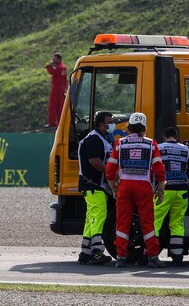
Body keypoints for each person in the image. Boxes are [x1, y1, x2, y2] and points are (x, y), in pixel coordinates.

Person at [106, 112, 166, 268]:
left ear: (129, 127)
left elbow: (110, 169)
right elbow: (159, 168)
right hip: (143, 187)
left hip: (125, 186)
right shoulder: (151, 144)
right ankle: (152, 256)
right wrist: (161, 189)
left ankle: (120, 257)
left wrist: (114, 188)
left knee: (122, 222)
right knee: (147, 222)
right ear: (144, 127)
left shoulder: (120, 144)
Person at [76, 111, 115, 265]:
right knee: (98, 217)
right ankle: (97, 252)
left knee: (90, 219)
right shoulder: (94, 139)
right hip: (93, 185)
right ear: (101, 124)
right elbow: (94, 161)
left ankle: (85, 252)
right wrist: (111, 173)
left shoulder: (102, 138)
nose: (112, 124)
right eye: (109, 122)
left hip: (96, 186)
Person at [154, 127, 189, 266]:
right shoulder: (185, 149)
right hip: (182, 190)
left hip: (165, 190)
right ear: (176, 136)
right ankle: (177, 256)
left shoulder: (159, 147)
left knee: (155, 221)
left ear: (164, 137)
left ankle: (151, 254)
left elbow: (155, 167)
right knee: (177, 223)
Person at [45, 52, 67, 127]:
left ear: (59, 59)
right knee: (59, 106)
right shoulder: (63, 67)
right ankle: (59, 122)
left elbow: (51, 71)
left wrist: (49, 66)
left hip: (56, 88)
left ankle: (52, 123)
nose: (53, 60)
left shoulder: (58, 67)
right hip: (62, 87)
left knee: (52, 105)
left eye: (54, 58)